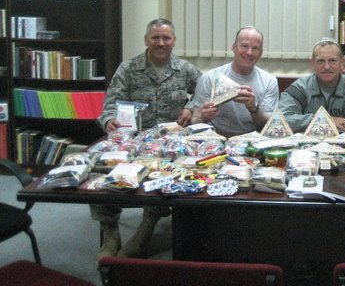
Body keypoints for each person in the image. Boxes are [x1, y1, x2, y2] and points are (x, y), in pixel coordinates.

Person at [94, 18, 201, 261]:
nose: (161, 43)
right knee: (100, 173)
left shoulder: (184, 69)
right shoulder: (128, 69)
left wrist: (191, 107)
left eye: (166, 38)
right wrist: (109, 119)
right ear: (146, 40)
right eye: (155, 38)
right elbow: (109, 105)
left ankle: (145, 229)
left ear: (174, 41)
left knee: (166, 175)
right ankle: (110, 232)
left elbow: (205, 92)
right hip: (132, 140)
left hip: (170, 142)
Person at [190, 26, 278, 137]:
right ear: (234, 47)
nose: (249, 52)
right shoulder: (209, 78)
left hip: (253, 140)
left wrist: (254, 108)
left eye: (255, 48)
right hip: (217, 138)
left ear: (260, 53)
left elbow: (269, 126)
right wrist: (203, 116)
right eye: (244, 46)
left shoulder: (269, 81)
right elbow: (195, 121)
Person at [278, 38, 345, 133]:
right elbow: (282, 120)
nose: (326, 67)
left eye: (332, 61)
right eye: (320, 61)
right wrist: (329, 120)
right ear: (312, 64)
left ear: (342, 63)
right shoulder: (299, 88)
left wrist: (308, 124)